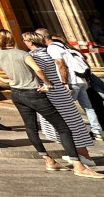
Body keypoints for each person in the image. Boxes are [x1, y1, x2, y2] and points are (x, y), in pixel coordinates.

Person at [0, 29, 100, 177]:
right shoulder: (26, 54)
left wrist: (4, 81)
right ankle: (79, 164)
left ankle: (49, 160)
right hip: (37, 93)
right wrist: (48, 83)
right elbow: (39, 69)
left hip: (17, 93)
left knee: (32, 127)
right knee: (65, 127)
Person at [24, 31, 99, 170]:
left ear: (30, 42)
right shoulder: (49, 50)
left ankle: (82, 156)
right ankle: (80, 154)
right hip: (59, 89)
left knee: (66, 123)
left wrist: (55, 83)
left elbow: (49, 68)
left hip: (53, 92)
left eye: (25, 40)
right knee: (72, 120)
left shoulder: (38, 55)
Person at [40, 28, 102, 138]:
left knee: (66, 107)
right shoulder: (64, 46)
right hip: (81, 79)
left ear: (43, 37)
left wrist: (64, 83)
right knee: (88, 107)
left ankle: (73, 133)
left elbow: (60, 64)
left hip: (71, 81)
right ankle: (96, 131)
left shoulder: (52, 48)